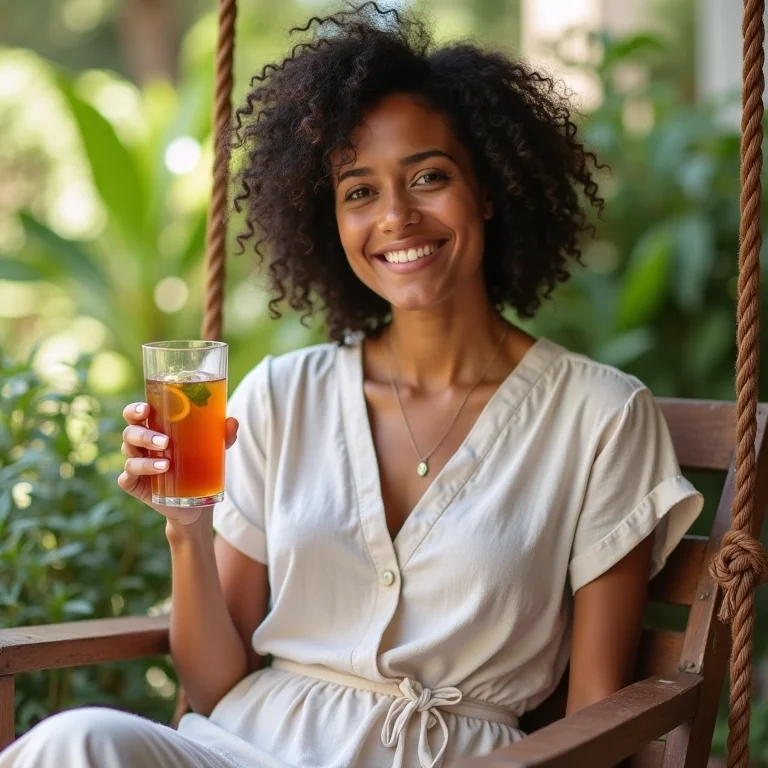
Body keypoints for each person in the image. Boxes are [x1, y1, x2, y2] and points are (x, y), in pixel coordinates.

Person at [1, 4, 704, 767]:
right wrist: (187, 529)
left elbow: (598, 715)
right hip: (247, 747)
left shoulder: (598, 416)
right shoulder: (282, 395)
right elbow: (212, 686)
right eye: (359, 191)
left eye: (428, 177)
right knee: (75, 742)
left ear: (489, 188)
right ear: (328, 219)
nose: (397, 216)